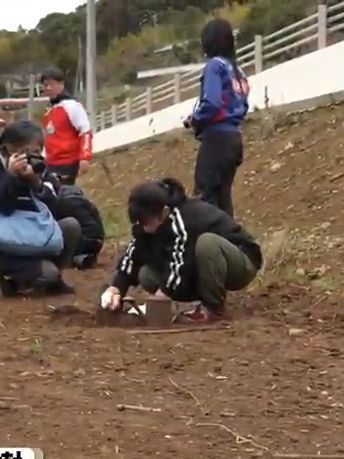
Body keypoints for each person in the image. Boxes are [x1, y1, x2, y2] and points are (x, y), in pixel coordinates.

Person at [101, 177, 262, 324]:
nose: (143, 227)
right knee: (147, 275)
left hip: (241, 261)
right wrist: (116, 288)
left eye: (146, 222)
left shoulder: (186, 219)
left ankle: (215, 310)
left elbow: (182, 263)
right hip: (203, 263)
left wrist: (159, 299)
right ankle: (200, 302)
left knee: (207, 243)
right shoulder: (148, 224)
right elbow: (134, 254)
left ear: (164, 212)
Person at [0, 120, 79, 297]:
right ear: (10, 149)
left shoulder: (39, 167)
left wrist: (35, 181)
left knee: (70, 226)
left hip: (36, 234)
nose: (31, 157)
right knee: (48, 275)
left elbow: (56, 205)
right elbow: (0, 204)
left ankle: (51, 276)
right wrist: (12, 177)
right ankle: (10, 278)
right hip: (8, 244)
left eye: (36, 152)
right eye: (24, 152)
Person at [183, 19, 250, 218]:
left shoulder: (214, 66)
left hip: (216, 139)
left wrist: (194, 119)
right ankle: (230, 243)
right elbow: (243, 105)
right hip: (234, 139)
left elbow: (212, 103)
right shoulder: (238, 71)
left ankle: (206, 245)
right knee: (223, 197)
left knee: (204, 198)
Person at [40, 68, 92, 186]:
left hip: (68, 163)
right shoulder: (49, 111)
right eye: (45, 85)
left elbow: (85, 132)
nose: (48, 88)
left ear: (61, 84)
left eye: (52, 84)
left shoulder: (72, 106)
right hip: (51, 163)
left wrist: (85, 157)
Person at [52, 184, 105, 269]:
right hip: (97, 240)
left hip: (84, 240)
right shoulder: (74, 192)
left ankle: (75, 257)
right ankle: (81, 257)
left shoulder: (56, 199)